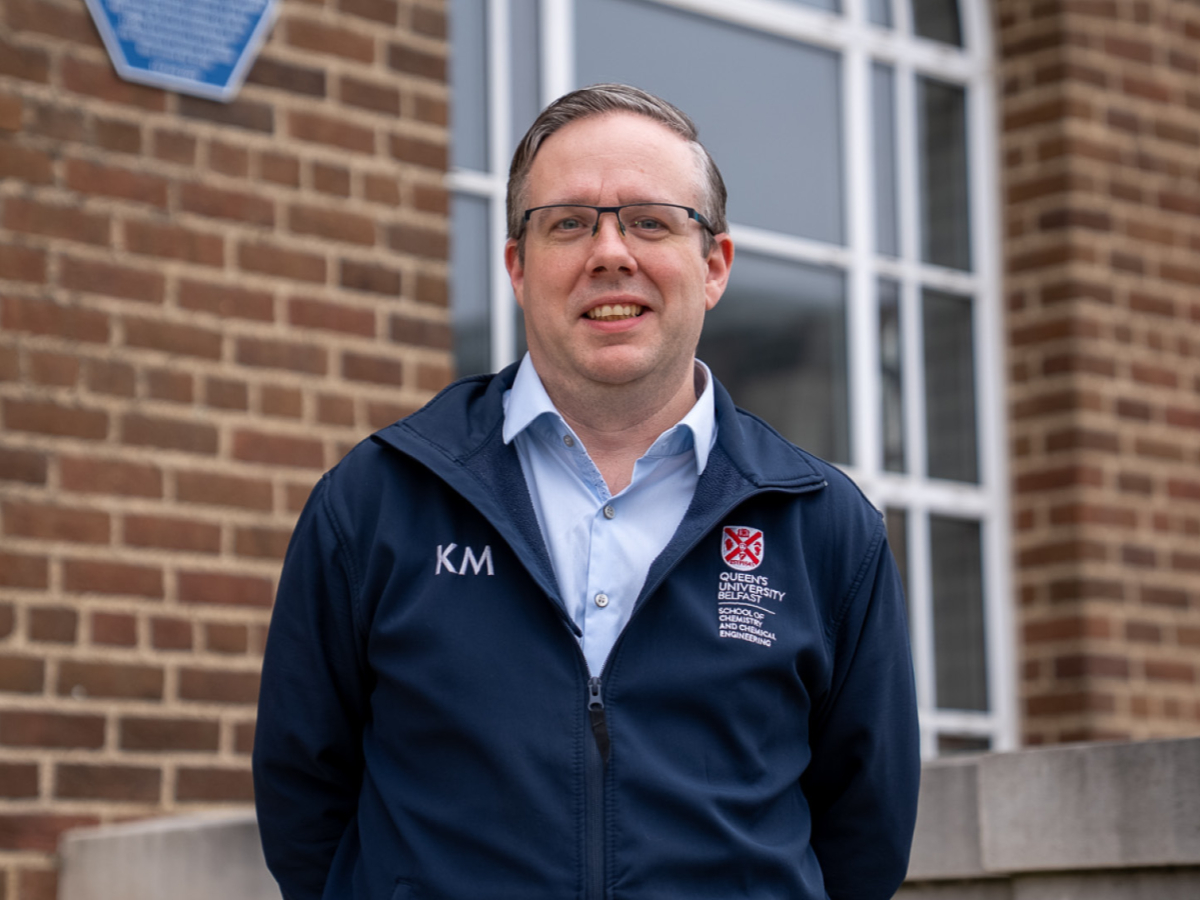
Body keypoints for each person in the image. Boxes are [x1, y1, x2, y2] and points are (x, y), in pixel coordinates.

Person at [253, 83, 920, 900]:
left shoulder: (825, 529)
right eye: (568, 223)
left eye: (650, 220)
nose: (611, 252)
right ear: (518, 267)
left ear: (713, 265)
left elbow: (867, 836)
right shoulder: (376, 503)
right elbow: (303, 800)